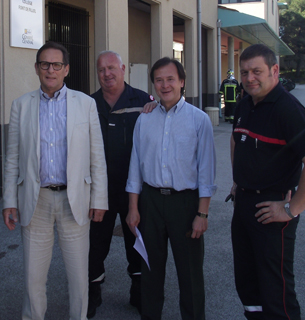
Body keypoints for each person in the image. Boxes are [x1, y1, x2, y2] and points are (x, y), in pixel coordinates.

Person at [2, 41, 108, 320]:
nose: (51, 70)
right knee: (33, 278)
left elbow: (97, 156)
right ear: (37, 68)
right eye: (45, 64)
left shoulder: (85, 104)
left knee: (78, 277)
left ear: (67, 70)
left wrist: (99, 199)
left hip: (75, 201)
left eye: (57, 65)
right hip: (35, 201)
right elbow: (12, 158)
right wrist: (9, 202)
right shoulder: (20, 106)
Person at [230, 44, 305, 320]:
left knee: (276, 293)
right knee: (248, 285)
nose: (250, 78)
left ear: (275, 71)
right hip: (244, 205)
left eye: (257, 71)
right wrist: (238, 181)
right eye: (245, 72)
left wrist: (290, 209)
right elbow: (236, 139)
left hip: (272, 209)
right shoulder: (245, 104)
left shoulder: (288, 109)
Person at [126, 57, 217, 320]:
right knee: (150, 272)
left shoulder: (199, 120)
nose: (164, 85)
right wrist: (133, 208)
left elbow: (206, 172)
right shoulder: (144, 118)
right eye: (158, 80)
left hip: (186, 204)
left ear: (182, 82)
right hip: (151, 202)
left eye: (170, 79)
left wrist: (202, 214)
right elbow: (136, 166)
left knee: (190, 275)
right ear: (153, 84)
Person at [87, 50, 154, 318]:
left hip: (133, 191)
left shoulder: (143, 101)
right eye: (102, 69)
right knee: (94, 246)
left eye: (112, 68)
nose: (107, 74)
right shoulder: (88, 103)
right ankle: (92, 293)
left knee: (136, 243)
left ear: (123, 69)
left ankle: (139, 292)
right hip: (99, 191)